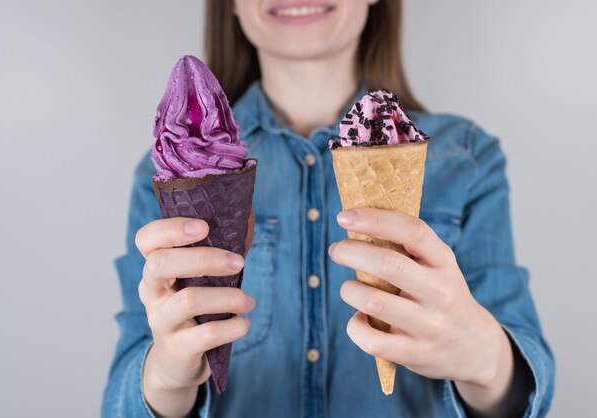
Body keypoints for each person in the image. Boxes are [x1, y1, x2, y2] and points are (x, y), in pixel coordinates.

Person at [102, 1, 554, 417]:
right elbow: (118, 401)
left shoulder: (467, 159)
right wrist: (166, 374)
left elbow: (528, 386)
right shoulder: (173, 173)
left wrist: (486, 361)